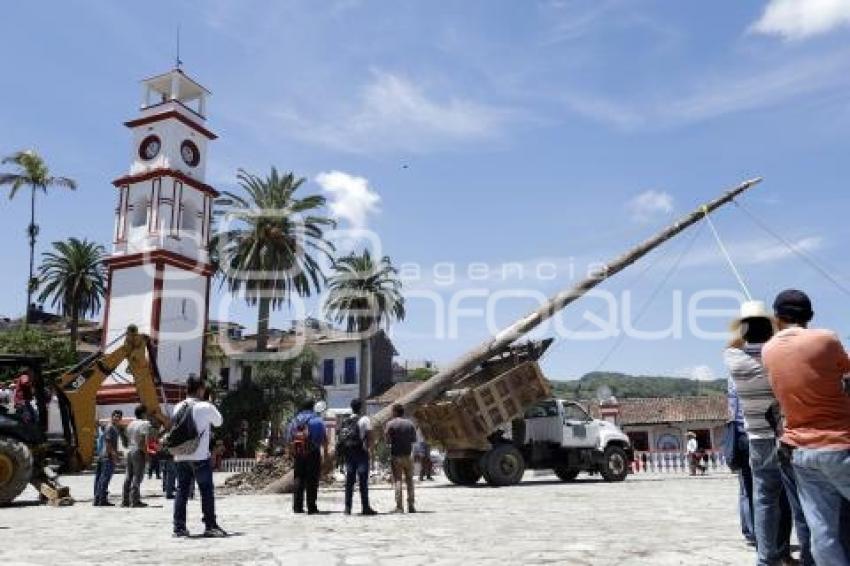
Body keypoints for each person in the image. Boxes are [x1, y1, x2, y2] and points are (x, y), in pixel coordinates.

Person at [763, 290, 850, 566]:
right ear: (810, 316)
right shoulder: (827, 339)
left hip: (801, 451)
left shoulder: (768, 350)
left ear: (777, 318)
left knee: (822, 531)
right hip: (841, 442)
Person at [724, 300, 813, 566]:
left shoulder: (732, 359)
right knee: (797, 498)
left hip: (756, 437)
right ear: (770, 327)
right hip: (783, 435)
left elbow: (736, 344)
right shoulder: (777, 356)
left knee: (763, 498)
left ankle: (766, 558)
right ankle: (807, 555)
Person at [171, 376, 227, 538]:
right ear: (201, 389)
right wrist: (210, 403)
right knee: (206, 491)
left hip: (181, 455)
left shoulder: (178, 406)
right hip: (199, 456)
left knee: (181, 491)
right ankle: (210, 526)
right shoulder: (205, 406)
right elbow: (219, 422)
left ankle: (179, 528)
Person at [727, 378, 756, 546]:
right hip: (750, 432)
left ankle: (748, 529)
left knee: (745, 487)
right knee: (756, 487)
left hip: (737, 434)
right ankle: (755, 530)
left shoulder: (732, 375)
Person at [287, 398, 328, 515]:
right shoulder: (317, 420)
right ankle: (311, 506)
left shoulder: (294, 420)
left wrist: (291, 453)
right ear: (312, 407)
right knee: (312, 480)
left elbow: (289, 439)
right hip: (313, 452)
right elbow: (324, 439)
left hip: (299, 453)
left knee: (298, 478)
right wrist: (325, 455)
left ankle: (297, 507)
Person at [342, 398, 377, 516]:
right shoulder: (365, 419)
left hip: (349, 453)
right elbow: (370, 437)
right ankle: (365, 507)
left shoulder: (346, 420)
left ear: (351, 407)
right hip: (361, 453)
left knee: (349, 482)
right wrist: (371, 452)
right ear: (361, 407)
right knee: (363, 481)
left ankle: (347, 508)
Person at [384, 404, 418, 514]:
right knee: (410, 481)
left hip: (396, 455)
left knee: (398, 480)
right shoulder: (410, 424)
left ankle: (399, 506)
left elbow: (387, 441)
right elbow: (413, 440)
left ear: (395, 412)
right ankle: (411, 505)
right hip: (408, 455)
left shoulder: (390, 424)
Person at [123, 405, 151, 508]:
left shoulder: (130, 424)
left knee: (128, 476)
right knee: (137, 476)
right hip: (138, 451)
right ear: (143, 413)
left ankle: (125, 500)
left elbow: (125, 439)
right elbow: (142, 441)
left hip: (129, 450)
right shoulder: (145, 423)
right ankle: (135, 500)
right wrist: (147, 454)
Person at [94, 410, 123, 506]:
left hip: (103, 455)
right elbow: (108, 442)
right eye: (116, 416)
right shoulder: (110, 427)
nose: (117, 418)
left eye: (119, 417)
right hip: (107, 456)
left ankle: (97, 499)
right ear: (112, 416)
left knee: (100, 478)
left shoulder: (110, 427)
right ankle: (101, 499)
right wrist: (114, 455)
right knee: (104, 479)